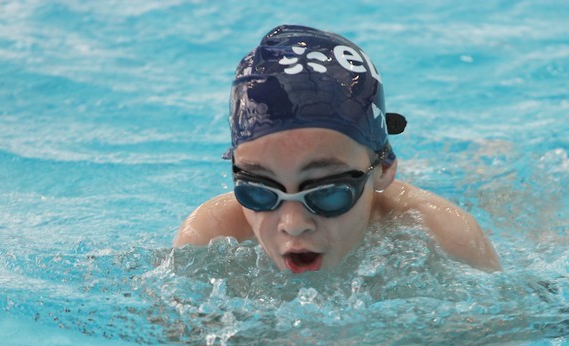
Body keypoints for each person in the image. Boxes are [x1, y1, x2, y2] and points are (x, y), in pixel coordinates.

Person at [174, 25, 501, 273]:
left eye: (327, 193)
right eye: (258, 192)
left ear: (384, 168)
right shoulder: (209, 236)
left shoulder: (447, 238)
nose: (293, 223)